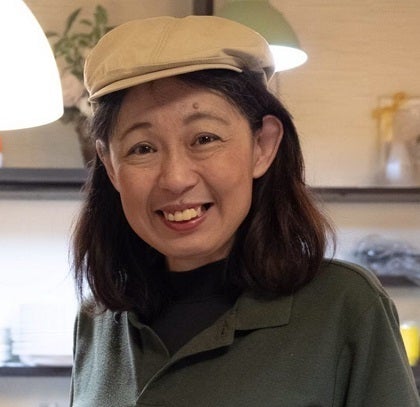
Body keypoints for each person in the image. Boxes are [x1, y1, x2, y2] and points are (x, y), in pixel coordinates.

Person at [69, 15, 419, 407]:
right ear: (110, 165)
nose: (175, 178)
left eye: (205, 138)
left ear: (262, 146)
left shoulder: (344, 306)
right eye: (143, 148)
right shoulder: (98, 320)